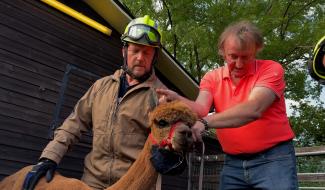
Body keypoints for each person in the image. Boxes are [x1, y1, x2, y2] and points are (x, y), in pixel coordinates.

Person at [22, 15, 166, 190]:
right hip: (93, 183)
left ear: (154, 57)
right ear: (124, 51)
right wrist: (49, 157)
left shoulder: (162, 96)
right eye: (135, 50)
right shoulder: (100, 87)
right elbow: (74, 124)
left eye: (147, 52)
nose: (140, 57)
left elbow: (172, 140)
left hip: (134, 185)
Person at [157, 21, 298, 190]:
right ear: (222, 52)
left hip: (274, 160)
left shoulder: (271, 69)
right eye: (233, 56)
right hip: (233, 163)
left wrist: (206, 122)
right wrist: (177, 100)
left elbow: (253, 109)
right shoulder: (212, 78)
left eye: (245, 57)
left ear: (256, 50)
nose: (239, 64)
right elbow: (201, 109)